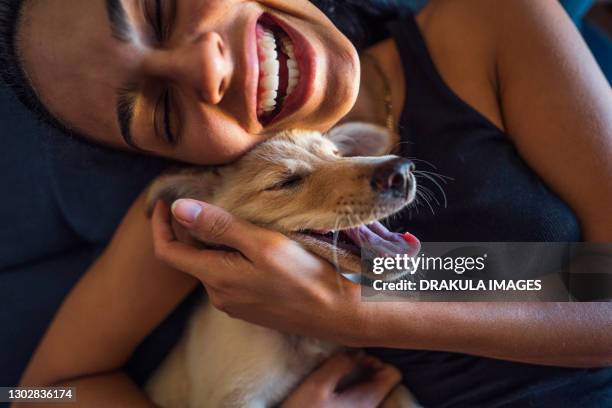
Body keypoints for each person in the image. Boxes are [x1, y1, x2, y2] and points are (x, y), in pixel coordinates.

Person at [1, 0, 611, 406]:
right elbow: (36, 394)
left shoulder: (494, 24)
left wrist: (358, 309)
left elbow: (601, 287)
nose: (206, 66)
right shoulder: (205, 206)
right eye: (162, 109)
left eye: (160, 9)